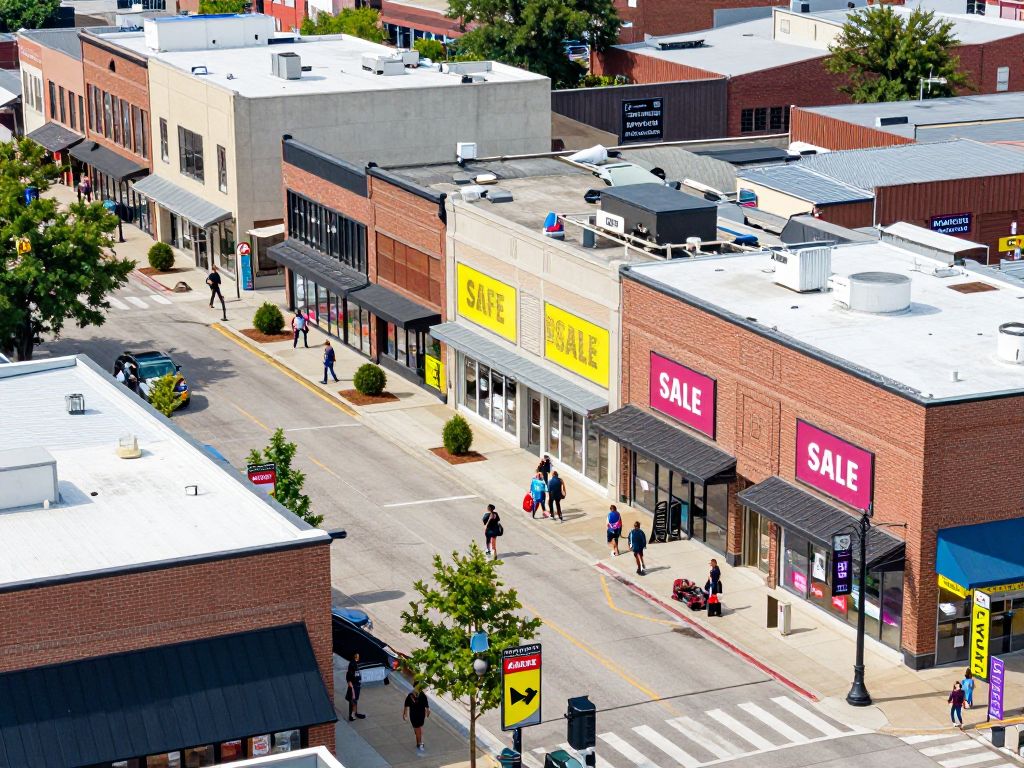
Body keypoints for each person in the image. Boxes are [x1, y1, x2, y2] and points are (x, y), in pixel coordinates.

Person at [403, 683, 430, 753]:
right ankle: (419, 743)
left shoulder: (422, 695)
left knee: (418, 729)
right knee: (418, 729)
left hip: (421, 715)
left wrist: (428, 710)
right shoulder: (411, 695)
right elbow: (406, 705)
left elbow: (426, 705)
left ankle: (418, 741)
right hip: (414, 715)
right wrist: (405, 713)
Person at [346, 653, 365, 721]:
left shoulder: (355, 664)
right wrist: (351, 685)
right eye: (357, 655)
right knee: (353, 701)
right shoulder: (352, 666)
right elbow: (349, 677)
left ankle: (355, 713)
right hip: (354, 686)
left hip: (357, 685)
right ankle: (352, 716)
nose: (358, 657)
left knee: (355, 700)